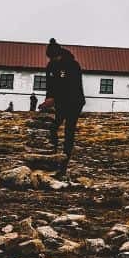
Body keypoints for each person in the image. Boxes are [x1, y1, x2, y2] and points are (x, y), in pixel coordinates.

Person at [42, 38, 85, 174]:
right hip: (60, 102)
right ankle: (52, 154)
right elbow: (50, 85)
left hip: (74, 102)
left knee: (69, 131)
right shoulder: (51, 66)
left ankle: (64, 163)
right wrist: (49, 98)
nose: (53, 59)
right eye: (51, 57)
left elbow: (71, 87)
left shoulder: (72, 65)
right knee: (53, 126)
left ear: (60, 54)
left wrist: (54, 99)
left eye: (55, 57)